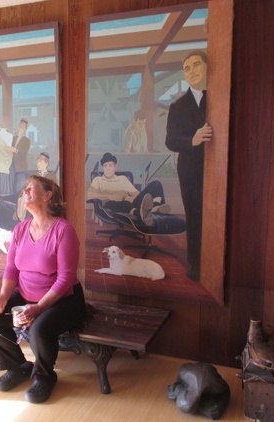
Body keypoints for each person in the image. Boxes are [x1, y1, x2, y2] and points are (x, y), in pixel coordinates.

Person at [0, 175, 86, 404]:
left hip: (63, 300)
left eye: (30, 189)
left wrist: (38, 308)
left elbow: (66, 278)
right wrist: (4, 295)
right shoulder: (20, 229)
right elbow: (11, 268)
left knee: (39, 328)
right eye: (24, 189)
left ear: (47, 196)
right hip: (27, 296)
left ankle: (44, 377)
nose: (25, 193)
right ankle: (18, 367)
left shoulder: (63, 230)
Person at [165, 50, 212, 281]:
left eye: (196, 65)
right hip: (191, 170)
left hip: (217, 167)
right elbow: (170, 141)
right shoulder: (178, 106)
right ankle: (196, 264)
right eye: (187, 68)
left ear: (207, 67)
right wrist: (192, 141)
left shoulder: (220, 97)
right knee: (194, 216)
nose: (192, 71)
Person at [87, 152, 170, 226]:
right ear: (102, 168)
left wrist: (131, 198)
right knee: (123, 203)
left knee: (156, 184)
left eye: (110, 165)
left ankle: (155, 207)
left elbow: (136, 193)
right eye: (105, 166)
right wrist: (110, 196)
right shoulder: (98, 180)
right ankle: (141, 214)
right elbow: (89, 195)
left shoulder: (122, 179)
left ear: (115, 167)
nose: (108, 168)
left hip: (130, 202)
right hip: (111, 205)